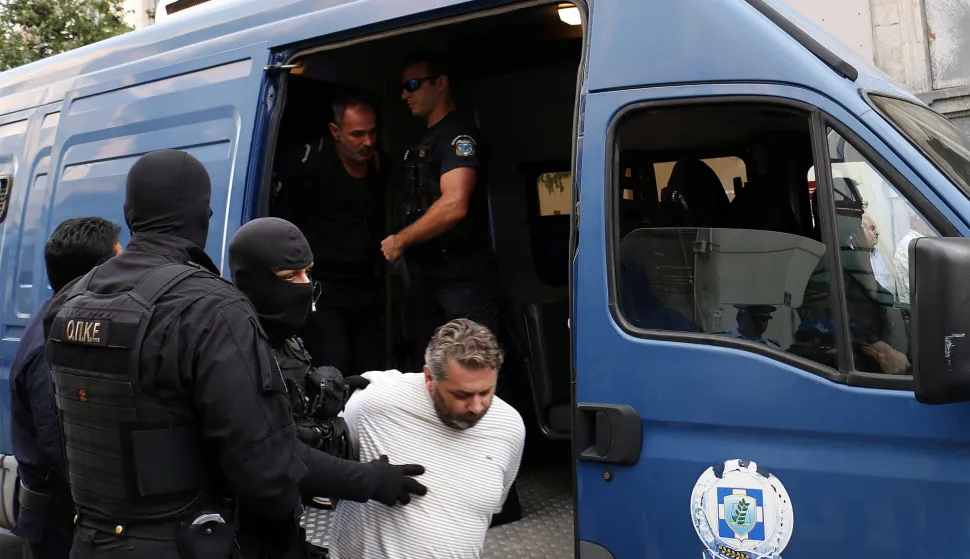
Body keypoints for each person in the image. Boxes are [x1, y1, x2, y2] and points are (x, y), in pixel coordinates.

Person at [42, 149, 303, 558]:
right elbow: (265, 472)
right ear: (204, 215)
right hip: (182, 541)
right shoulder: (212, 306)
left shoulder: (67, 302)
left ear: (130, 213)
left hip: (89, 540)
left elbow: (61, 433)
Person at [227, 217, 428, 558]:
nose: (305, 286)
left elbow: (290, 400)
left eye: (307, 272)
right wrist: (369, 480)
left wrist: (336, 391)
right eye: (291, 277)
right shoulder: (234, 351)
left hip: (281, 523)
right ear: (253, 282)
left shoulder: (280, 337)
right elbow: (273, 452)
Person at [329, 319, 526, 559]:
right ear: (430, 379)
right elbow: (332, 474)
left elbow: (488, 508)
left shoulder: (509, 426)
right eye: (462, 394)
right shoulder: (374, 404)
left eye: (486, 392)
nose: (476, 407)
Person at [10, 217, 122, 559]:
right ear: (95, 274)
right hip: (61, 526)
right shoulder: (51, 346)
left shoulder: (60, 321)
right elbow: (64, 449)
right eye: (122, 260)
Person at [381, 52, 500, 360]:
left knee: (473, 364)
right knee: (435, 370)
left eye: (413, 84)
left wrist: (400, 240)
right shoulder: (428, 140)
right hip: (430, 276)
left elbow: (453, 204)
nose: (405, 94)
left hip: (461, 279)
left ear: (441, 83)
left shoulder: (458, 136)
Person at [272, 96, 386, 375]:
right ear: (335, 132)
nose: (368, 141)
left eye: (372, 132)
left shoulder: (380, 165)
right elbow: (281, 221)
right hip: (323, 287)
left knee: (372, 372)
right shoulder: (307, 165)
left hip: (366, 285)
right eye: (358, 134)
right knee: (333, 367)